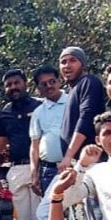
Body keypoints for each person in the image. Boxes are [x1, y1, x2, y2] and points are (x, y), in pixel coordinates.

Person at [0, 69, 46, 220]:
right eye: (8, 85)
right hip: (16, 169)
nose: (13, 87)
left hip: (41, 167)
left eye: (16, 83)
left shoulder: (41, 106)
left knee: (41, 216)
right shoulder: (4, 114)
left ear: (25, 84)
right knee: (23, 219)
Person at [57, 46, 105, 169]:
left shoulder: (88, 82)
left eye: (72, 60)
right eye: (63, 62)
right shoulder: (72, 90)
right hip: (75, 162)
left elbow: (86, 118)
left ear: (82, 65)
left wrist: (68, 156)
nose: (67, 65)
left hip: (89, 160)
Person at [29, 65, 68, 194]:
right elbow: (34, 147)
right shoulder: (38, 112)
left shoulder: (73, 102)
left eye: (52, 81)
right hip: (48, 171)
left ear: (60, 81)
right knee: (50, 211)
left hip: (72, 166)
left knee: (78, 212)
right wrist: (34, 175)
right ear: (38, 88)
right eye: (43, 84)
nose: (49, 86)